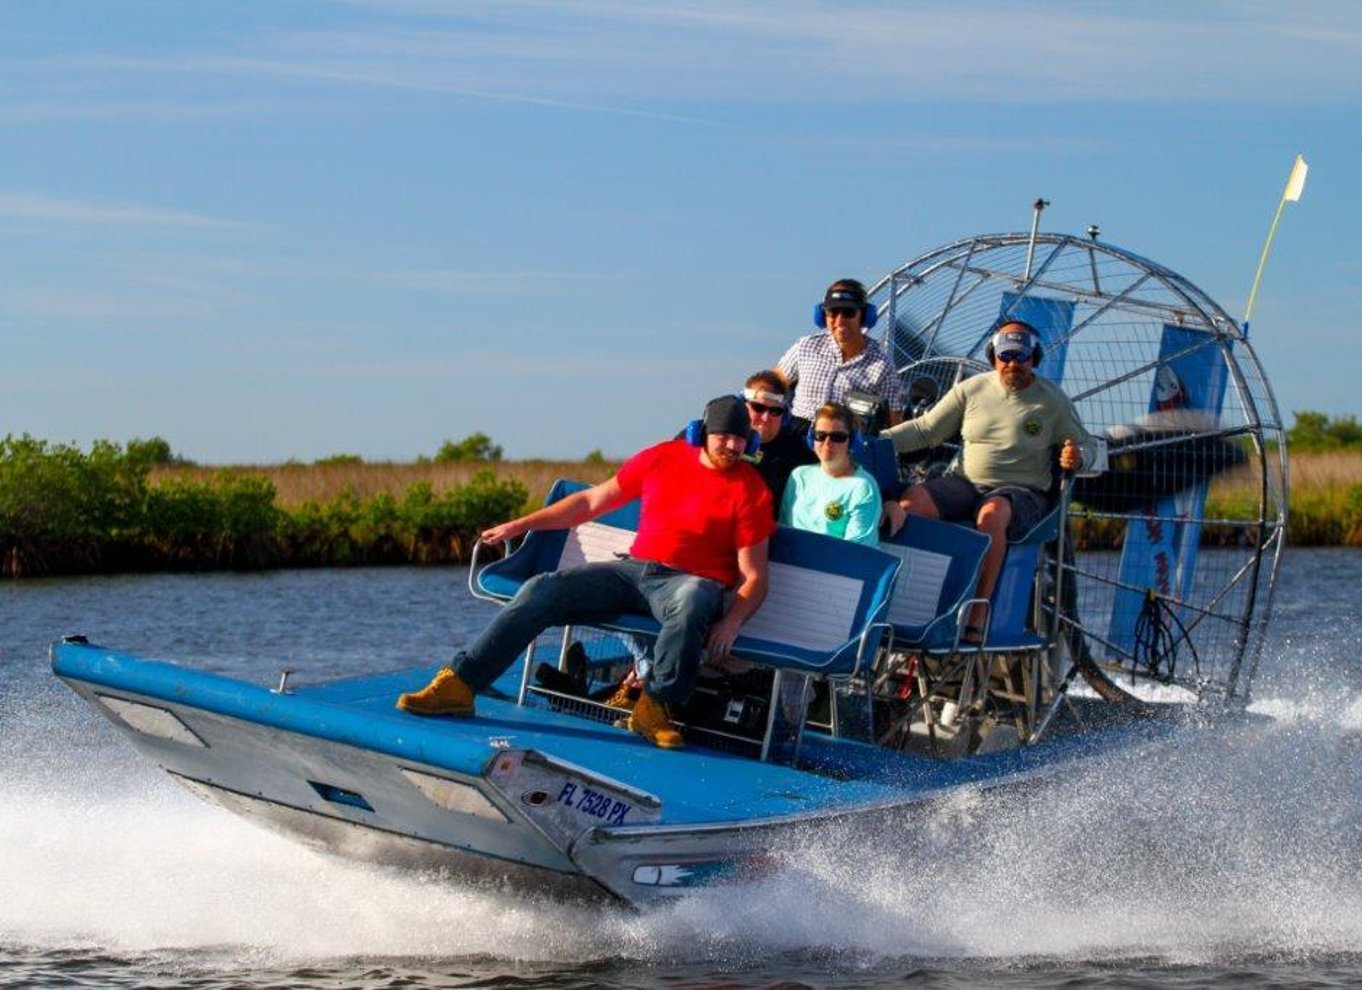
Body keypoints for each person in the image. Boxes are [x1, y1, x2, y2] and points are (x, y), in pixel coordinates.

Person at [396, 395, 775, 750]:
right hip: (633, 571)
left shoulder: (751, 490)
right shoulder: (661, 458)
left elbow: (755, 577)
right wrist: (520, 526)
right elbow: (590, 502)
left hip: (689, 585)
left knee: (692, 597)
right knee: (541, 588)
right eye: (724, 437)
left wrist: (733, 621)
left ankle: (654, 707)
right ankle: (460, 686)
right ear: (701, 433)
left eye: (741, 440)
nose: (732, 447)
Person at [879, 319, 1097, 641]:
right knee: (911, 502)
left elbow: (1090, 448)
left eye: (1021, 357)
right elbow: (927, 430)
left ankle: (977, 612)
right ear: (993, 355)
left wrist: (1078, 457)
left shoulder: (1053, 400)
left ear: (1033, 358)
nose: (1012, 364)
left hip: (1023, 492)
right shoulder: (972, 389)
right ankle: (904, 603)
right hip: (966, 481)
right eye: (1005, 356)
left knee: (991, 515)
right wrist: (876, 440)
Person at [776, 278, 905, 431]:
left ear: (864, 316)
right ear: (823, 316)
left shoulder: (883, 365)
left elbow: (894, 423)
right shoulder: (805, 347)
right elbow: (771, 386)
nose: (840, 320)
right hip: (796, 443)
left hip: (844, 448)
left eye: (848, 313)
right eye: (833, 312)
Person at [780, 401, 882, 546]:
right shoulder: (799, 476)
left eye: (838, 437)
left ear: (852, 442)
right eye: (820, 435)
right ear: (811, 438)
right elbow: (784, 529)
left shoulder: (862, 487)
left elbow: (857, 551)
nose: (827, 443)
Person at [740, 369, 817, 512]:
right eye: (758, 408)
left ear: (785, 416)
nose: (765, 417)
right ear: (743, 407)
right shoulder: (723, 440)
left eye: (775, 411)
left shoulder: (799, 451)